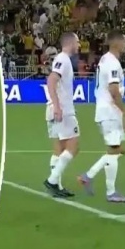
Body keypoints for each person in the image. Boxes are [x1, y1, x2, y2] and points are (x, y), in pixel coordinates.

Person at [79, 31, 125, 203]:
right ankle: (103, 187)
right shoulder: (112, 63)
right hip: (110, 112)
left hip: (106, 111)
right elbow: (114, 91)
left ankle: (91, 178)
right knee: (115, 151)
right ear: (116, 43)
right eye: (124, 41)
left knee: (116, 150)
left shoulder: (104, 59)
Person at [43, 32, 80, 198]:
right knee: (73, 147)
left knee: (59, 149)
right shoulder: (63, 59)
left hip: (53, 109)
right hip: (62, 110)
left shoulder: (62, 60)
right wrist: (58, 107)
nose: (79, 45)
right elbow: (51, 80)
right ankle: (52, 181)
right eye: (77, 42)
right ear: (70, 43)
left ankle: (57, 186)